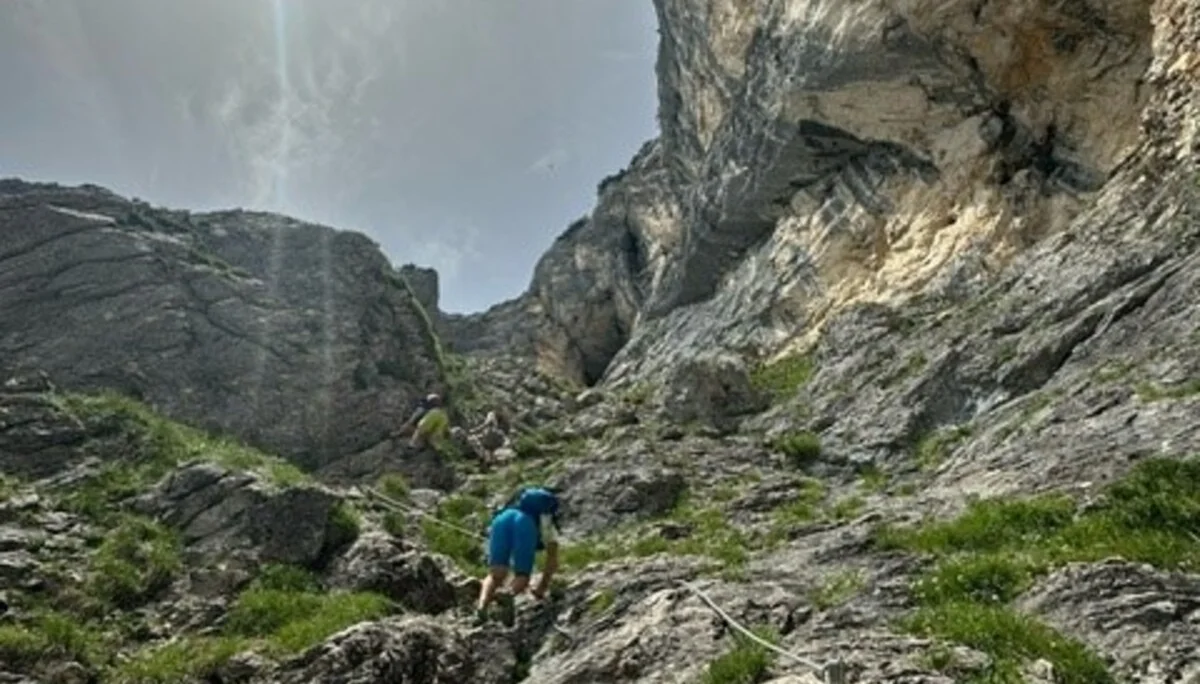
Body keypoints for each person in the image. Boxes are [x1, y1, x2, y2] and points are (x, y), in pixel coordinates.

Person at [476, 486, 561, 623]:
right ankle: (508, 594)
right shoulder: (546, 521)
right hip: (524, 526)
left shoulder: (508, 512)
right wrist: (541, 588)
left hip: (500, 521)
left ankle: (482, 605)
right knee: (522, 576)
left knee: (495, 574)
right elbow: (552, 560)